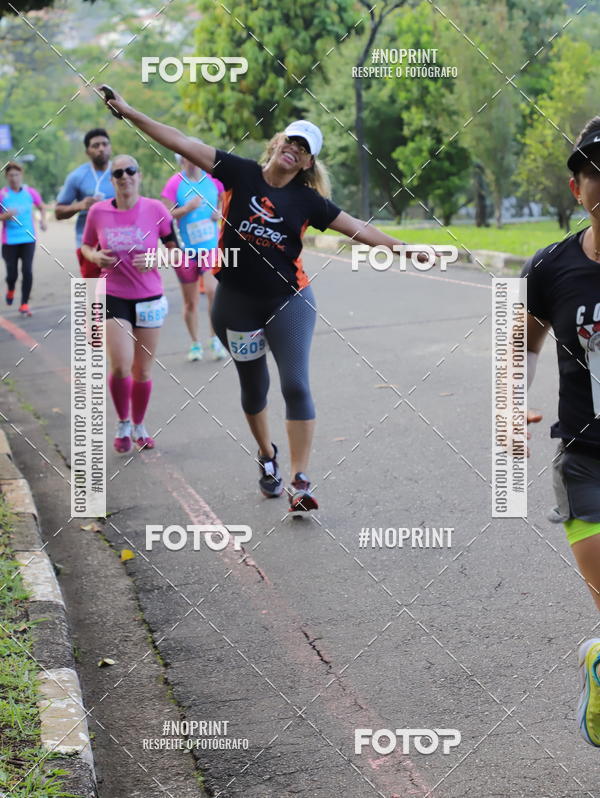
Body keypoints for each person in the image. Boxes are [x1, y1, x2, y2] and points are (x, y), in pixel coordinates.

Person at [99, 86, 428, 515]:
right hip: (235, 304)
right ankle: (267, 454)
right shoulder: (238, 173)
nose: (294, 149)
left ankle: (300, 479)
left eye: (304, 149)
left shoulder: (308, 200)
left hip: (288, 300)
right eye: (291, 140)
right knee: (254, 389)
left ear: (308, 163)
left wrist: (406, 248)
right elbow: (178, 139)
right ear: (277, 144)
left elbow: (359, 229)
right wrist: (127, 112)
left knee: (295, 384)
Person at [524, 116, 600, 748]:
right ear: (578, 189)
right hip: (584, 460)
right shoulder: (550, 266)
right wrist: (505, 405)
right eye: (596, 173)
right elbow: (517, 342)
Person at [80, 154, 176, 453]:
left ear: (139, 175)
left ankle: (139, 424)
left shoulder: (156, 209)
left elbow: (175, 252)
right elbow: (85, 246)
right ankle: (122, 422)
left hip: (148, 297)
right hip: (113, 295)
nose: (124, 177)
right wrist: (95, 257)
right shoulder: (98, 212)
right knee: (121, 365)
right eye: (118, 173)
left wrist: (156, 258)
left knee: (142, 371)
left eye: (130, 170)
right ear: (112, 181)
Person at [160, 149, 228, 361]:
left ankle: (215, 340)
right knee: (190, 302)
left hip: (210, 247)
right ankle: (195, 344)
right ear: (182, 159)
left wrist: (219, 212)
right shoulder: (174, 184)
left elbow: (225, 201)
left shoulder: (213, 180)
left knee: (213, 292)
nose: (193, 159)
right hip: (185, 251)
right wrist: (187, 208)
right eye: (188, 155)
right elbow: (165, 215)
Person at [55, 128, 115, 278]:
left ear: (110, 147)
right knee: (90, 292)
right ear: (87, 151)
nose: (101, 148)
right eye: (95, 146)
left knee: (119, 291)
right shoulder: (76, 176)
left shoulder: (121, 173)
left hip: (118, 240)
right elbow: (58, 212)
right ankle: (87, 302)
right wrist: (80, 205)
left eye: (104, 144)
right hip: (88, 244)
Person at [0, 161, 46, 316]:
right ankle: (11, 289)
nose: (14, 178)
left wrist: (43, 221)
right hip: (9, 241)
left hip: (28, 238)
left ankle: (25, 303)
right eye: (11, 175)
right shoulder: (3, 194)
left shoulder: (30, 192)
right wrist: (5, 216)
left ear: (21, 175)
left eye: (17, 175)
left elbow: (42, 206)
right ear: (6, 177)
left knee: (27, 271)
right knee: (12, 274)